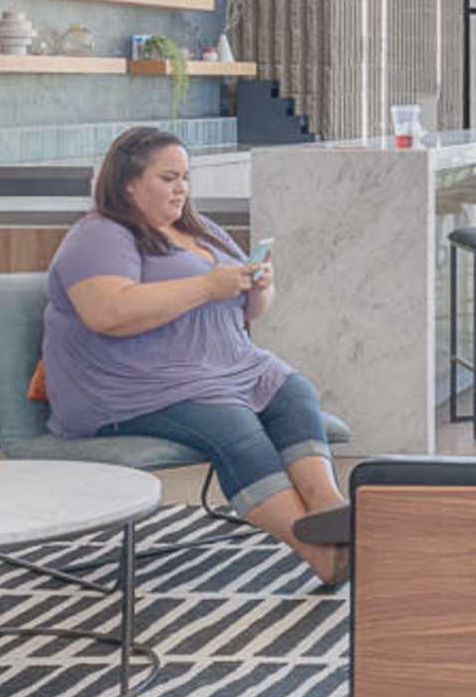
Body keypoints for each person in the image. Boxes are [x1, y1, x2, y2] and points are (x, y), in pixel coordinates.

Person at [43, 125, 352, 585]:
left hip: (223, 369)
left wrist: (259, 288)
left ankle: (329, 510)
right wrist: (208, 285)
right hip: (133, 384)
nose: (182, 189)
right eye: (168, 178)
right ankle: (318, 552)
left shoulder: (198, 229)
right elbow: (107, 312)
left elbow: (247, 311)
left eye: (185, 177)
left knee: (292, 393)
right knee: (234, 426)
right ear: (128, 183)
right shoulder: (101, 235)